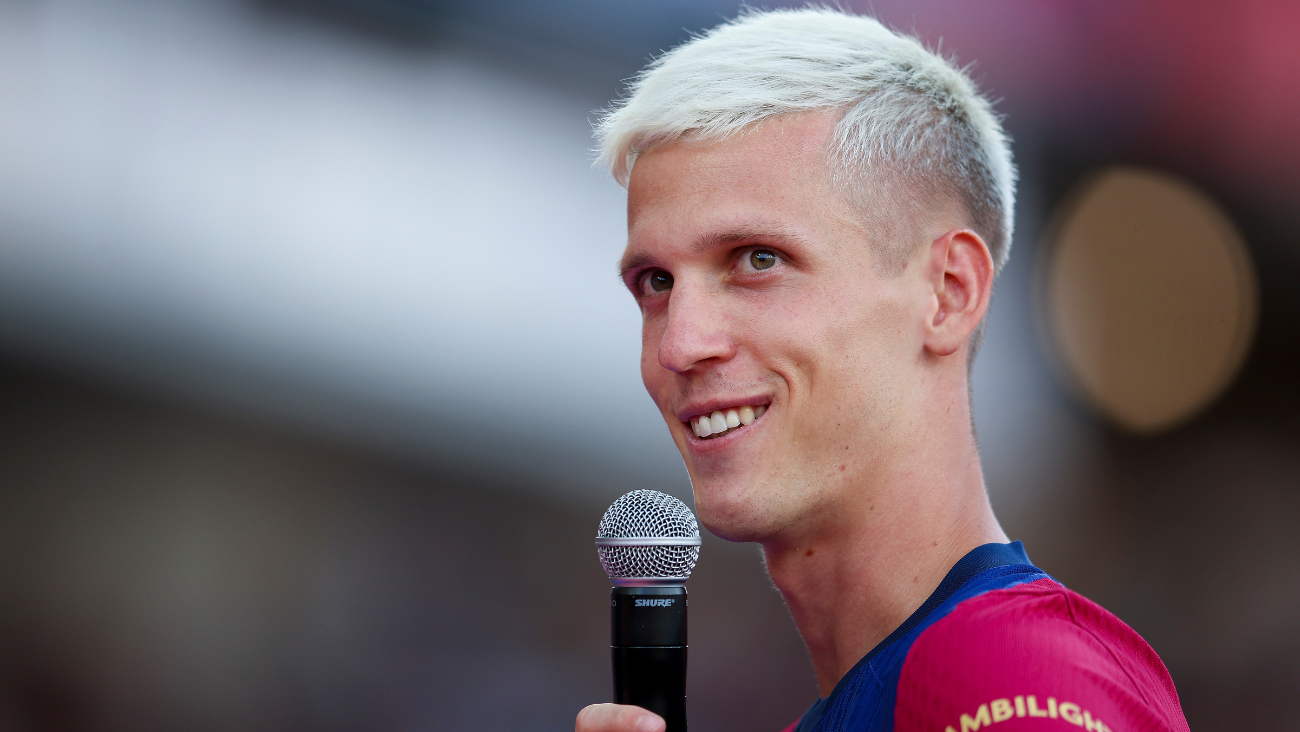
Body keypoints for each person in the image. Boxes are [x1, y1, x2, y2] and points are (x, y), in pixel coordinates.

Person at [577, 9, 1189, 732]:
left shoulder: (1008, 673)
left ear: (949, 292)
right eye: (655, 283)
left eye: (757, 260)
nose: (680, 344)